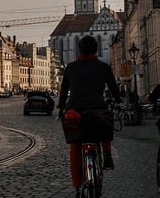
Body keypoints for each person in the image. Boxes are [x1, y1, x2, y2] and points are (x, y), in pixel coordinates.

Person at [58, 35, 121, 197]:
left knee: (75, 147)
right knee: (105, 125)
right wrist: (118, 101)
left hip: (75, 112)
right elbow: (114, 89)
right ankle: (107, 154)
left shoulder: (70, 68)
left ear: (79, 50)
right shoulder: (103, 67)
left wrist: (60, 108)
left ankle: (78, 185)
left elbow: (64, 92)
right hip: (97, 109)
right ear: (96, 49)